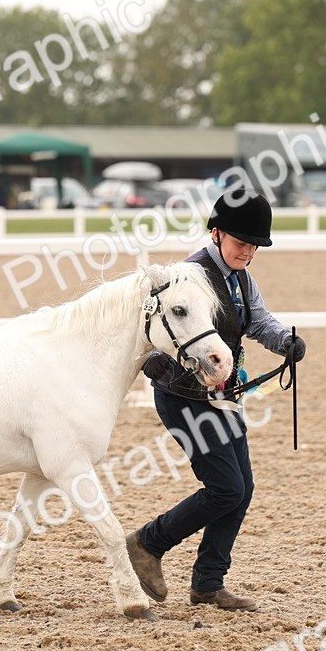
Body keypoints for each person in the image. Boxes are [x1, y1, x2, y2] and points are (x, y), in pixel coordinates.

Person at [125, 186, 306, 612]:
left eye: (255, 246)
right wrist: (157, 361)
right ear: (217, 232)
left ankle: (208, 582)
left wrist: (286, 341)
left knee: (241, 491)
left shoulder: (241, 278)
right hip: (183, 399)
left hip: (224, 396)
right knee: (226, 488)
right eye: (242, 243)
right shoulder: (189, 277)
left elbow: (257, 320)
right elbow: (159, 328)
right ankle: (147, 543)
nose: (248, 252)